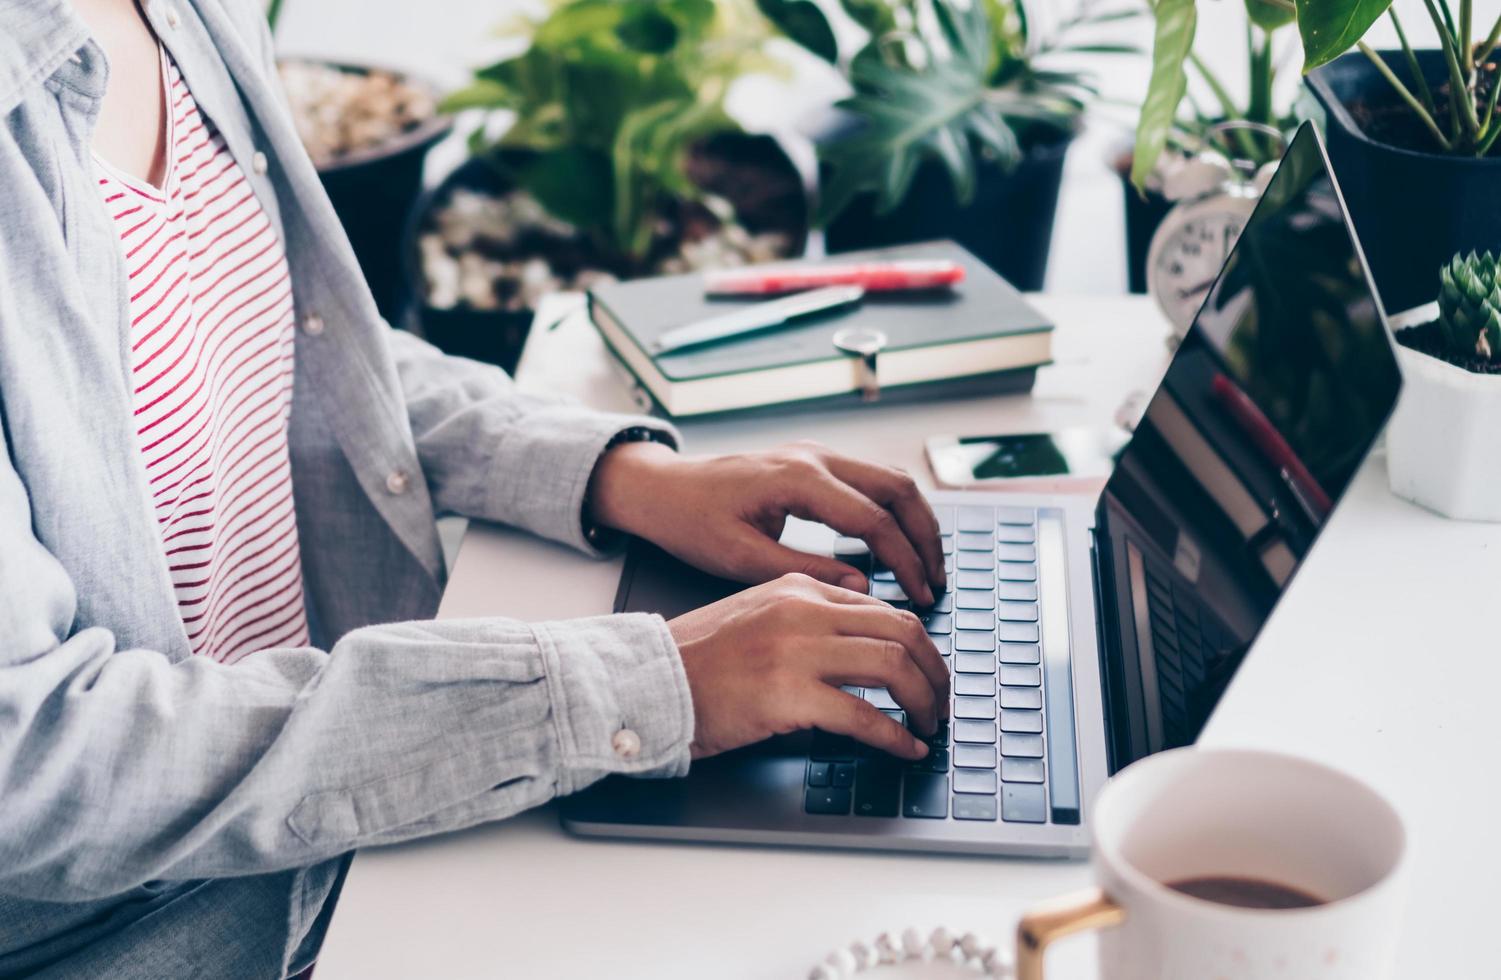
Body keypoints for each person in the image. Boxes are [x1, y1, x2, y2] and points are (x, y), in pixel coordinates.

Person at [0, 1, 951, 976]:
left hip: (357, 792)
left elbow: (286, 340)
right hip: (167, 924)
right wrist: (638, 684)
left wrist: (623, 473)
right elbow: (33, 764)